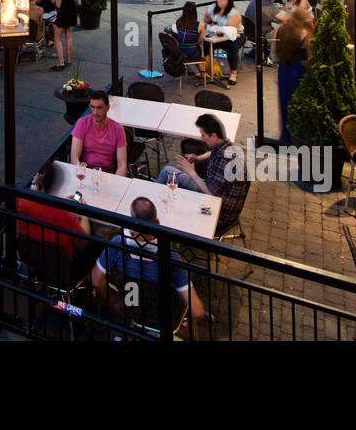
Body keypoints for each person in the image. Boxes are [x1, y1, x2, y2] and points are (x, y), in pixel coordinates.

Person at [92, 197, 207, 329]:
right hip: (163, 315)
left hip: (130, 305)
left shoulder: (117, 245)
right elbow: (197, 311)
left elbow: (96, 281)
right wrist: (185, 323)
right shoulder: (170, 258)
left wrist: (113, 300)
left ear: (131, 224)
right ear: (157, 222)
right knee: (194, 276)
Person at [16, 160, 99, 279]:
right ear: (59, 185)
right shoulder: (65, 217)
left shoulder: (23, 204)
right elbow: (85, 238)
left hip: (33, 264)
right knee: (97, 243)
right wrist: (83, 212)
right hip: (63, 271)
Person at [156, 115, 244, 225]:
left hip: (218, 213)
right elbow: (211, 152)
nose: (201, 138)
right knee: (168, 173)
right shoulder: (226, 145)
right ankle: (155, 211)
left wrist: (190, 171)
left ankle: (155, 217)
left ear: (214, 136)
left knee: (179, 209)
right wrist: (198, 158)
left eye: (203, 135)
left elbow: (210, 193)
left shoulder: (224, 161)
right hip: (218, 198)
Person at [274, 9, 312, 143]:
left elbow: (275, 50)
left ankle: (285, 136)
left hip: (284, 68)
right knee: (297, 102)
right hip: (299, 69)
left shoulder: (282, 29)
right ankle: (297, 136)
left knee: (284, 101)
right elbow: (309, 53)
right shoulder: (304, 33)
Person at [70, 91, 127, 175]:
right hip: (85, 172)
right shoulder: (82, 124)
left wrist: (116, 183)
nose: (95, 112)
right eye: (93, 107)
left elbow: (122, 165)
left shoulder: (118, 129)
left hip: (106, 175)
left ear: (107, 108)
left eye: (99, 108)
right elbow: (74, 160)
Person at [202, 0, 244, 86]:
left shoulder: (234, 13)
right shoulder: (213, 8)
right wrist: (207, 19)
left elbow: (231, 29)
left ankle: (233, 73)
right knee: (206, 43)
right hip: (217, 35)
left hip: (236, 35)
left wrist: (217, 27)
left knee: (231, 46)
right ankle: (209, 68)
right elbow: (207, 21)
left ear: (228, 2)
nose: (219, 1)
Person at [51, 0, 81, 71]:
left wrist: (55, 2)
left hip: (63, 14)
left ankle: (61, 63)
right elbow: (79, 3)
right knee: (69, 36)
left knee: (57, 38)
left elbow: (58, 5)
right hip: (72, 14)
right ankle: (69, 60)